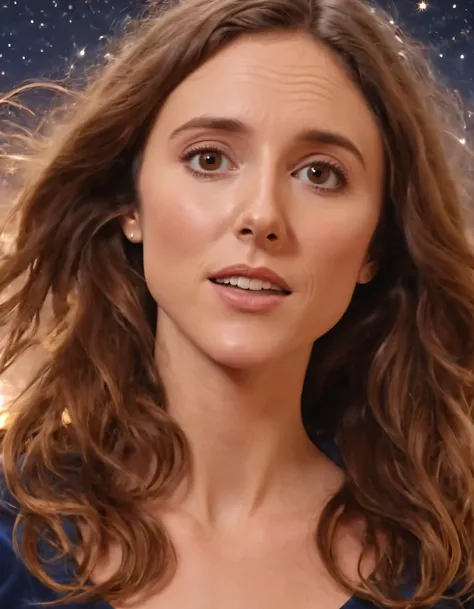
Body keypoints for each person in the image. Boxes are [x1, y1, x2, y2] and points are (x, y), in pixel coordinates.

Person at [0, 0, 473, 607]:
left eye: (320, 174)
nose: (262, 217)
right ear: (130, 204)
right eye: (209, 158)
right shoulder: (10, 532)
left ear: (376, 245)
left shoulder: (447, 568)